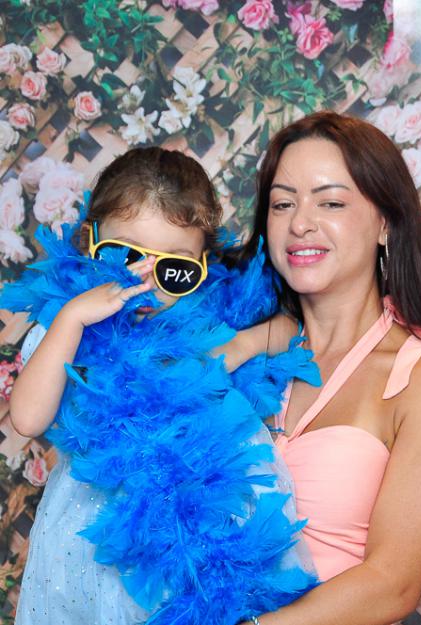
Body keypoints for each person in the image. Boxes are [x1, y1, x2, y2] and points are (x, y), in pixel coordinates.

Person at [4, 147, 318, 625]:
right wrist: (72, 318)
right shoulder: (63, 331)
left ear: (202, 269)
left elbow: (293, 327)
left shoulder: (207, 326)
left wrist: (242, 345)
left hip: (194, 545)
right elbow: (27, 419)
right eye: (126, 256)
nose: (147, 282)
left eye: (174, 270)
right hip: (92, 548)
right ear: (90, 241)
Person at [239, 111, 421, 625]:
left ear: (385, 223)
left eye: (331, 202)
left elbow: (393, 584)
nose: (300, 223)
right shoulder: (245, 354)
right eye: (282, 203)